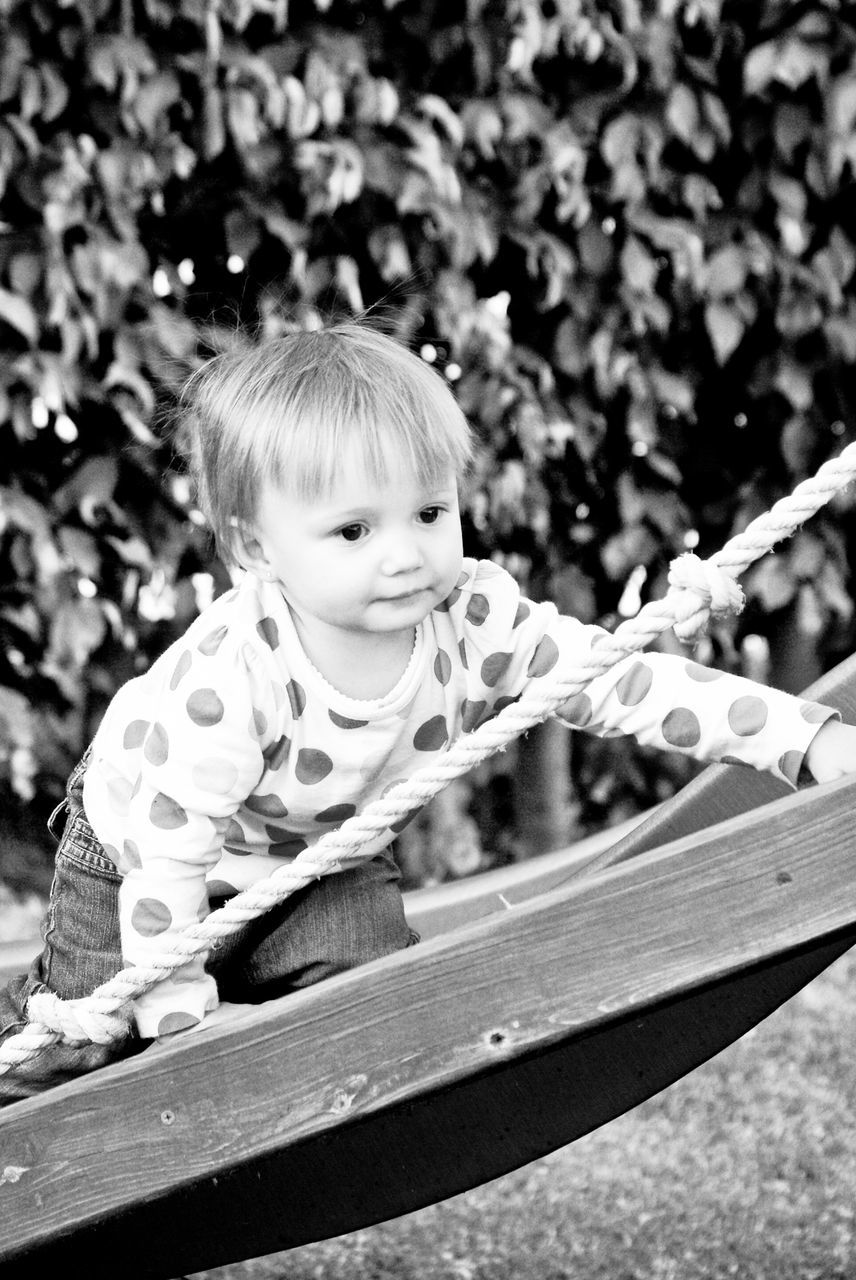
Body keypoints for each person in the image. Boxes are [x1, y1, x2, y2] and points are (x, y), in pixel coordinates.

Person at [2, 320, 856, 1106]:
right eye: (352, 532)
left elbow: (623, 684)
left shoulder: (472, 619)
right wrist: (184, 1018)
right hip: (136, 858)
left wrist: (803, 741)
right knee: (83, 1050)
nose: (406, 555)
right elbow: (168, 854)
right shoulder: (237, 674)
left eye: (429, 512)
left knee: (385, 1003)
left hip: (315, 864)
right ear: (258, 547)